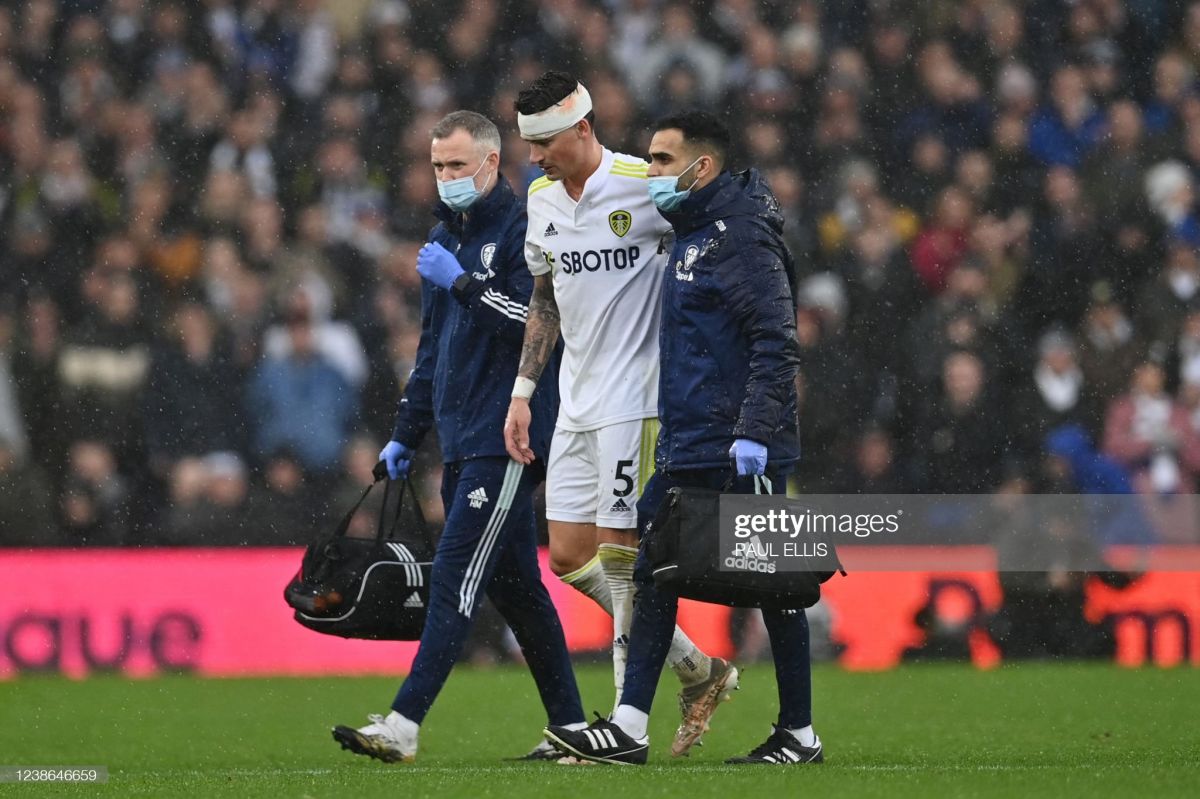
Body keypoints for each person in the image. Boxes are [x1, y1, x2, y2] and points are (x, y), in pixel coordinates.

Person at [544, 111, 822, 765]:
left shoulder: (742, 238)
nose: (651, 172)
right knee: (655, 569)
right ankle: (633, 725)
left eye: (663, 160)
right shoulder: (694, 231)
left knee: (771, 583)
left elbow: (777, 341)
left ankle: (797, 733)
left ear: (703, 167)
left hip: (735, 445)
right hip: (690, 440)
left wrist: (753, 431)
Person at [332, 110, 585, 764]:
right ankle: (574, 730)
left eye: (456, 166)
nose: (444, 178)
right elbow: (431, 351)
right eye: (437, 165)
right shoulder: (444, 236)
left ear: (492, 164)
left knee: (454, 575)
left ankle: (405, 721)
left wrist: (465, 283)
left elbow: (536, 326)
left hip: (510, 436)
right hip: (461, 439)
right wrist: (405, 434)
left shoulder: (526, 227)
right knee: (517, 591)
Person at [502, 71, 730, 754]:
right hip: (574, 401)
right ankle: (697, 666)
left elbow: (719, 235)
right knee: (570, 558)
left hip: (639, 402)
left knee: (624, 562)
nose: (536, 156)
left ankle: (624, 722)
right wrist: (521, 390)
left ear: (581, 128)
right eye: (529, 144)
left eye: (545, 141)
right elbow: (544, 298)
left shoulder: (644, 184)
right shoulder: (542, 197)